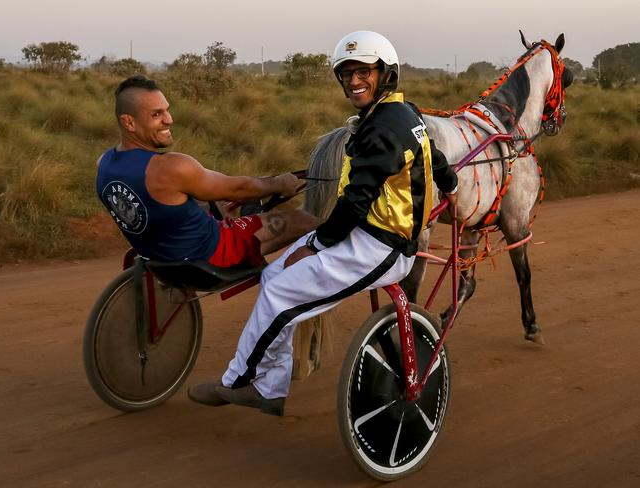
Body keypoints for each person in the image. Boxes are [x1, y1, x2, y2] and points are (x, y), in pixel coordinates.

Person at [188, 31, 458, 416]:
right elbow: (432, 152)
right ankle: (269, 383)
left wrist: (316, 245)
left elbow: (354, 203)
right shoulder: (403, 112)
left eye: (363, 71)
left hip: (380, 247)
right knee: (273, 278)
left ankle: (239, 382)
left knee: (280, 294)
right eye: (346, 73)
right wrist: (450, 182)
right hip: (362, 233)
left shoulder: (382, 127)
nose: (353, 81)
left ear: (385, 73)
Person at [96, 75, 320, 268]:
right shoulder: (171, 167)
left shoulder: (104, 164)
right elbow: (237, 189)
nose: (169, 119)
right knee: (304, 219)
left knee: (214, 206)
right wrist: (278, 183)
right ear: (129, 123)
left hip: (158, 254)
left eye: (167, 110)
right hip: (211, 253)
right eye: (156, 115)